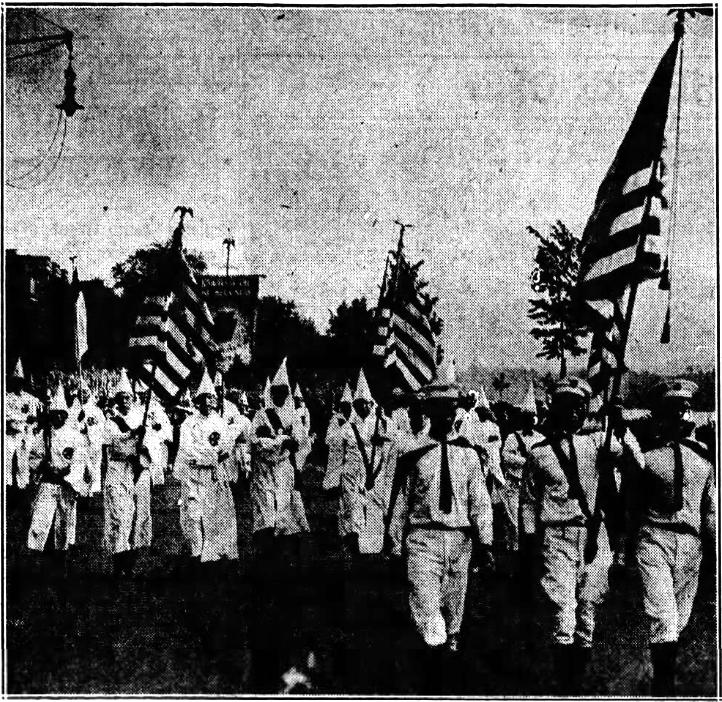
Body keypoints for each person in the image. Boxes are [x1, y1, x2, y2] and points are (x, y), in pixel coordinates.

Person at [520, 376, 644, 694]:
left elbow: (636, 466)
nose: (573, 413)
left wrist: (620, 429)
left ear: (585, 410)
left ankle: (575, 683)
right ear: (556, 410)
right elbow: (530, 503)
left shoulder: (597, 445)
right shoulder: (539, 453)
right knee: (563, 611)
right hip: (557, 536)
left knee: (588, 612)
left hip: (593, 534)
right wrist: (532, 543)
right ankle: (565, 685)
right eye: (566, 406)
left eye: (578, 407)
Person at [387, 360, 494, 689]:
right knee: (426, 606)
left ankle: (449, 669)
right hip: (423, 539)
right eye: (437, 409)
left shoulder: (470, 456)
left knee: (453, 609)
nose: (444, 415)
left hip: (460, 540)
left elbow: (480, 502)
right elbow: (401, 503)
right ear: (429, 412)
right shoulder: (413, 453)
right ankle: (432, 675)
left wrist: (486, 544)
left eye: (450, 408)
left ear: (457, 411)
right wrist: (392, 543)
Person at [635, 379, 716, 696]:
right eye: (673, 411)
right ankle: (663, 688)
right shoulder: (646, 458)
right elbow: (631, 502)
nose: (681, 417)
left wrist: (713, 549)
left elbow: (709, 509)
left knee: (678, 621)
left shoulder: (704, 459)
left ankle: (660, 674)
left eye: (685, 409)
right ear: (660, 417)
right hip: (655, 538)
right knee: (664, 617)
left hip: (691, 546)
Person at [175, 368, 238, 568]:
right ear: (198, 400)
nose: (208, 403)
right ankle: (196, 553)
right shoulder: (189, 424)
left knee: (214, 514)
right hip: (193, 477)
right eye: (204, 398)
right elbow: (188, 452)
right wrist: (211, 456)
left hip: (213, 476)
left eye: (211, 398)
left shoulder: (219, 422)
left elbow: (226, 448)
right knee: (193, 515)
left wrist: (208, 455)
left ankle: (213, 555)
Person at [250, 358, 312, 560]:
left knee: (285, 510)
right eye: (276, 391)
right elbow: (256, 441)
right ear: (272, 392)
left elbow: (300, 444)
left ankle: (284, 554)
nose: (280, 395)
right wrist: (281, 441)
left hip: (284, 468)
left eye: (284, 391)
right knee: (266, 510)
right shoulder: (261, 415)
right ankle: (264, 552)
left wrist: (296, 464)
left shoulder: (294, 416)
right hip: (264, 468)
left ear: (287, 393)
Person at [26, 386, 88, 577]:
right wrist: (44, 466)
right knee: (40, 520)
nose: (57, 417)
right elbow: (33, 459)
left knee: (63, 525)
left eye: (61, 414)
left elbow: (80, 461)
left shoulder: (75, 436)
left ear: (65, 414)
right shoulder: (45, 435)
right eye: (54, 414)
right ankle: (34, 560)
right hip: (48, 483)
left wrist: (68, 475)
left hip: (66, 484)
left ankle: (60, 563)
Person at [101, 368, 153, 578]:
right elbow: (115, 446)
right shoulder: (110, 422)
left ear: (132, 399)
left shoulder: (141, 419)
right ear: (116, 400)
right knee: (117, 516)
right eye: (121, 398)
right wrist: (133, 435)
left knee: (135, 517)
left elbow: (149, 445)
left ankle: (129, 560)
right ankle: (118, 559)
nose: (124, 401)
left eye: (128, 397)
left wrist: (143, 443)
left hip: (135, 471)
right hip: (116, 470)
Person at [337, 369, 392, 557]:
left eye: (366, 404)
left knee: (375, 511)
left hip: (376, 473)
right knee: (353, 511)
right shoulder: (346, 428)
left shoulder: (382, 424)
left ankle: (372, 549)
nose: (363, 407)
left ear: (371, 404)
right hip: (352, 474)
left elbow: (394, 442)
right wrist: (334, 479)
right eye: (359, 404)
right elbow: (337, 455)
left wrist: (382, 438)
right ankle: (353, 550)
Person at [500, 382, 544, 556]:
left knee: (531, 523)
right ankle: (513, 553)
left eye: (531, 417)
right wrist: (525, 461)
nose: (529, 420)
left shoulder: (541, 438)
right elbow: (505, 456)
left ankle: (529, 554)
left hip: (532, 488)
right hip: (514, 484)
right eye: (526, 417)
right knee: (513, 521)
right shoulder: (513, 437)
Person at [6, 357, 42, 495]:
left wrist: (30, 422)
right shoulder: (7, 397)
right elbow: (7, 416)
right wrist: (20, 419)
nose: (18, 385)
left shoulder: (28, 398)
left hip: (25, 433)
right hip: (10, 432)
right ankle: (7, 483)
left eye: (20, 383)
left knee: (23, 459)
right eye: (16, 382)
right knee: (8, 458)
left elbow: (33, 416)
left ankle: (23, 484)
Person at [135, 380, 172, 487]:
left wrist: (158, 425)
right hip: (141, 438)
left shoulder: (156, 407)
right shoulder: (136, 407)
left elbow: (163, 423)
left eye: (145, 393)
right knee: (143, 461)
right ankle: (143, 481)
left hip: (153, 438)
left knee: (155, 459)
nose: (144, 396)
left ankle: (157, 483)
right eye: (141, 394)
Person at [73, 380, 106, 496]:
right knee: (81, 466)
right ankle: (81, 491)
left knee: (94, 467)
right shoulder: (73, 410)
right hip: (80, 443)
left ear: (89, 393)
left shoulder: (96, 410)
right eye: (81, 393)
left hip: (94, 443)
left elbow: (102, 426)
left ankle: (93, 490)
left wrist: (90, 430)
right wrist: (78, 420)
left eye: (85, 392)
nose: (83, 395)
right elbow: (70, 427)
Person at [323, 382, 353, 492]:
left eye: (348, 405)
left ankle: (342, 485)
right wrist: (339, 436)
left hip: (348, 450)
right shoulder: (336, 418)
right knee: (334, 466)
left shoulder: (352, 419)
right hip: (336, 448)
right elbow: (329, 435)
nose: (347, 408)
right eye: (344, 405)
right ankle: (332, 487)